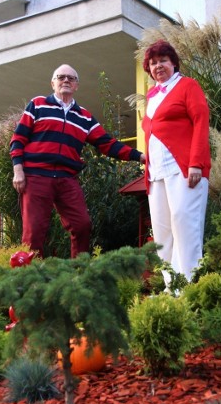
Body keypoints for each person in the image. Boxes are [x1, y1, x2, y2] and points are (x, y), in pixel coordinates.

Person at [10, 64, 146, 258]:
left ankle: (79, 272)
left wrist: (139, 156)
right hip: (36, 176)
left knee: (82, 225)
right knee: (33, 234)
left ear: (76, 86)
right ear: (53, 83)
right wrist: (18, 170)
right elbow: (18, 139)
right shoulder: (38, 104)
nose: (66, 81)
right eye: (61, 77)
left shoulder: (84, 116)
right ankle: (27, 281)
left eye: (71, 78)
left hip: (66, 179)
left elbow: (107, 144)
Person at [141, 40, 211, 286]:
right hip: (156, 174)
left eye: (163, 61)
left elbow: (201, 122)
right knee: (162, 233)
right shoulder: (152, 95)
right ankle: (172, 287)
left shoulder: (187, 86)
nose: (158, 66)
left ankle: (190, 287)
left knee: (184, 224)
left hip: (183, 168)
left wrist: (196, 163)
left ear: (173, 63)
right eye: (153, 63)